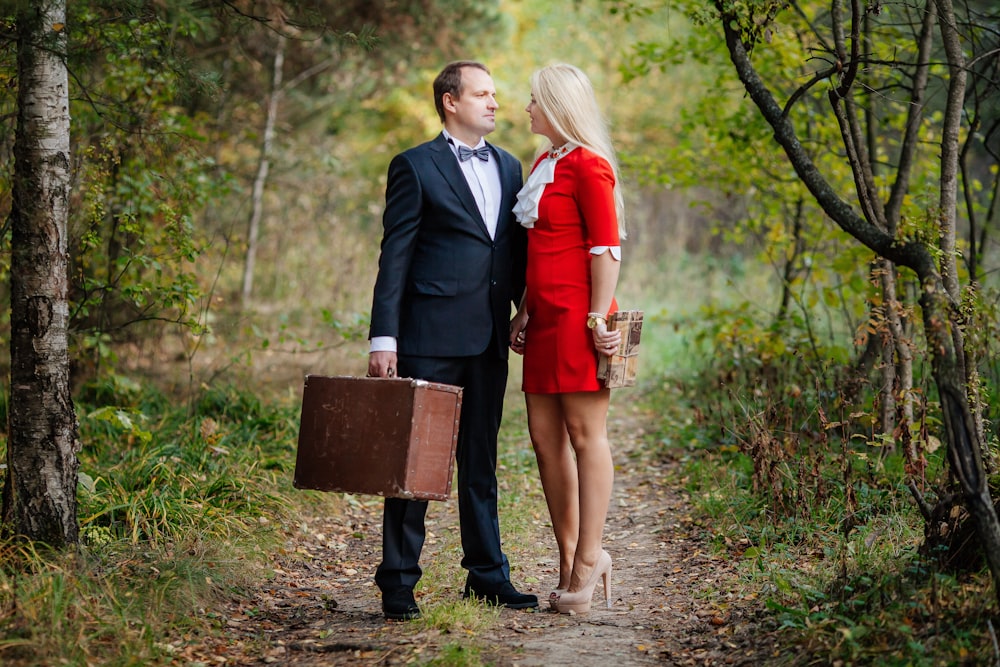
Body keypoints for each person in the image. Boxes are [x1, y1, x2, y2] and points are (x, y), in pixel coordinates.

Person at [367, 60, 537, 621]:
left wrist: (523, 310)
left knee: (480, 463)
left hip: (489, 338)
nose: (494, 102)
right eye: (482, 94)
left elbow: (508, 254)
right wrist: (383, 339)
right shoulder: (414, 166)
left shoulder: (511, 167)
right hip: (428, 338)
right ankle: (397, 583)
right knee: (415, 464)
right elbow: (396, 257)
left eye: (495, 94)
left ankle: (488, 577)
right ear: (449, 101)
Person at [509, 63, 625, 614]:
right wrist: (524, 312)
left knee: (585, 437)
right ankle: (568, 556)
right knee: (543, 440)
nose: (526, 108)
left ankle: (590, 558)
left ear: (558, 105)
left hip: (581, 319)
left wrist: (599, 319)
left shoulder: (590, 165)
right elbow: (541, 249)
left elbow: (606, 249)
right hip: (544, 321)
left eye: (534, 99)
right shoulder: (544, 161)